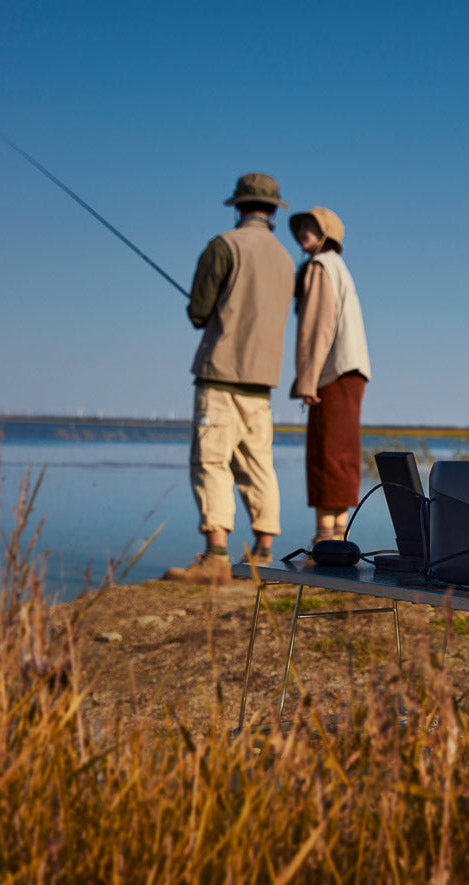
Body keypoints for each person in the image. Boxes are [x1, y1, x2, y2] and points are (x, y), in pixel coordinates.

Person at [163, 173, 295, 584]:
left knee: (212, 460)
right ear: (273, 211)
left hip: (221, 372)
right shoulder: (286, 259)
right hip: (263, 379)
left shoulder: (223, 245)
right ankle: (264, 553)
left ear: (239, 206)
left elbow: (199, 312)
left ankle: (216, 556)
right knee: (259, 464)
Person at [288, 207, 371, 544]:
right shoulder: (340, 267)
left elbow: (316, 327)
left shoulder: (322, 266)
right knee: (342, 452)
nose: (304, 232)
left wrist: (307, 380)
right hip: (350, 369)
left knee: (327, 453)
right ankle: (336, 536)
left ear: (326, 233)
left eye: (312, 227)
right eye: (302, 226)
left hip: (333, 371)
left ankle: (325, 538)